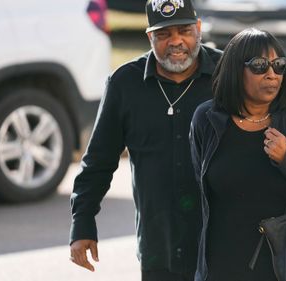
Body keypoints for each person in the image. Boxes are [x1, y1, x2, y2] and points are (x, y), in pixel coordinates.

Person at [68, 0, 222, 280]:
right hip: (159, 248)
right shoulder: (125, 83)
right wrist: (82, 223)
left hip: (224, 246)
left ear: (198, 29)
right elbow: (98, 161)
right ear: (150, 36)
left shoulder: (227, 76)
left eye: (184, 30)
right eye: (164, 34)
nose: (176, 42)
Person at [189, 28, 286, 281]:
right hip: (223, 265)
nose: (272, 74)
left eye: (279, 65)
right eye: (259, 66)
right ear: (235, 70)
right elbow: (201, 196)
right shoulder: (207, 118)